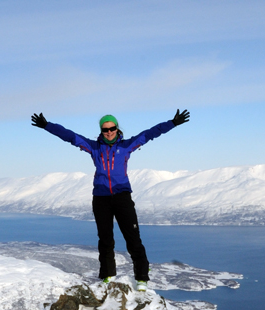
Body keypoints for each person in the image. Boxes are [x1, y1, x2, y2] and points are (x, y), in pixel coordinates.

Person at [32, 109, 190, 291]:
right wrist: (46, 126)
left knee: (133, 238)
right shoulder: (94, 147)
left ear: (117, 129)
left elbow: (149, 134)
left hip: (122, 196)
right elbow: (70, 136)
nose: (109, 132)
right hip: (101, 198)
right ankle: (107, 275)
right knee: (105, 239)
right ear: (101, 131)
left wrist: (172, 123)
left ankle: (142, 277)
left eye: (112, 128)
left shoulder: (126, 146)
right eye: (105, 129)